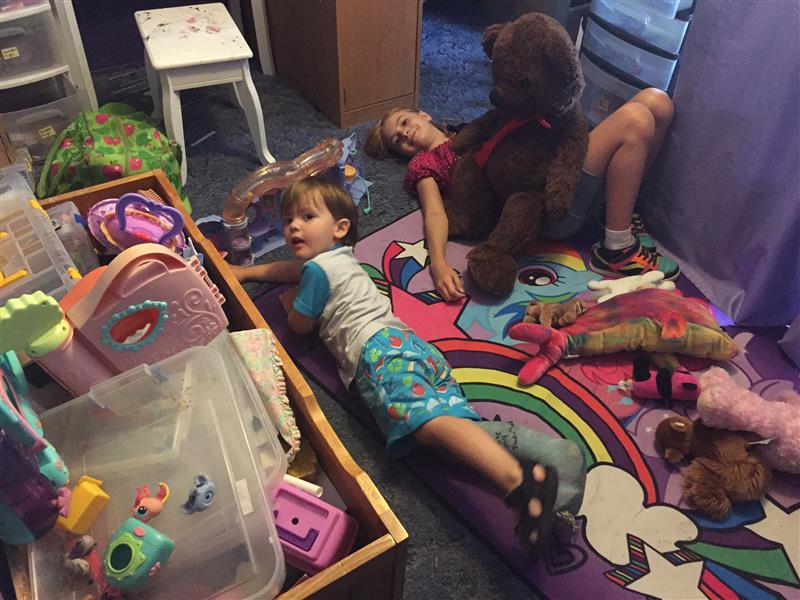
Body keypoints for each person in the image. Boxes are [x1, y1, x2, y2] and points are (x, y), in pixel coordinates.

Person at [230, 176, 558, 555]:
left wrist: (291, 309)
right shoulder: (340, 259)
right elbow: (293, 271)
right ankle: (519, 470)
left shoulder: (318, 273)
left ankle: (519, 481)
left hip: (377, 355)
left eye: (307, 217)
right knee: (444, 425)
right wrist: (249, 273)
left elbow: (300, 325)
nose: (294, 227)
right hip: (411, 346)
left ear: (340, 228)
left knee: (426, 424)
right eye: (288, 220)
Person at [364, 88, 679, 301]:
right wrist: (438, 263)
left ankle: (618, 215)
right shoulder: (426, 164)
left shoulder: (468, 129)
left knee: (657, 102)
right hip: (544, 205)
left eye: (404, 122)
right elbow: (434, 212)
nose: (405, 133)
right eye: (398, 140)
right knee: (635, 120)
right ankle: (616, 248)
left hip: (555, 169)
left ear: (423, 114)